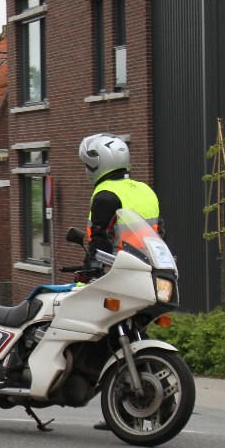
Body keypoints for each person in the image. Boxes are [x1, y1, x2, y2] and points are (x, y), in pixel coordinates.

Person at [78, 133, 162, 429]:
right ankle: (147, 406)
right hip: (149, 274)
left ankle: (121, 409)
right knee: (134, 336)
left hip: (117, 275)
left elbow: (99, 241)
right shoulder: (145, 191)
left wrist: (89, 268)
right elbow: (158, 234)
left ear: (96, 165)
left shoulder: (105, 195)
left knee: (104, 338)